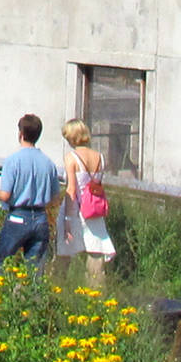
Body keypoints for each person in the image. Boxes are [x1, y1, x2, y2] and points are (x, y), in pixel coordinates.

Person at [0, 113, 61, 271]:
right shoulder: (48, 163)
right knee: (35, 269)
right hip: (40, 218)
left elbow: (6, 195)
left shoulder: (13, 160)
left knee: (3, 262)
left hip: (18, 216)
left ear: (21, 134)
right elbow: (56, 197)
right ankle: (34, 295)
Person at [58, 118, 116, 284]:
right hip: (93, 210)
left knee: (64, 252)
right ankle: (96, 294)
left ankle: (57, 290)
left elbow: (71, 189)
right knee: (96, 253)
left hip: (75, 209)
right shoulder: (100, 157)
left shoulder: (71, 158)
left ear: (72, 137)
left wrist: (68, 220)